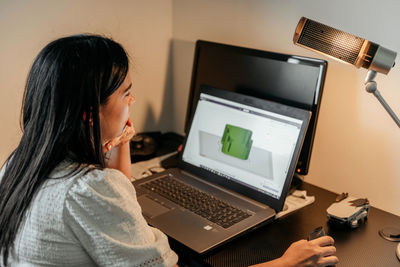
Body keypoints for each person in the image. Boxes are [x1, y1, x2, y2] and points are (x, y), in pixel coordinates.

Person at [0, 34, 338, 267]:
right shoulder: (88, 190)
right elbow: (107, 196)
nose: (131, 102)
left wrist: (119, 140)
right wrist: (285, 262)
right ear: (90, 114)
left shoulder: (19, 165)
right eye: (125, 95)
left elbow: (119, 194)